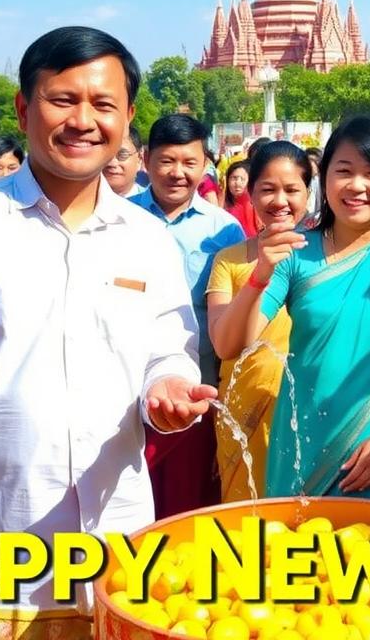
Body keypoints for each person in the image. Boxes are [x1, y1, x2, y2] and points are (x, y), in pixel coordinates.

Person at [0, 27, 209, 640]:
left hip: (117, 545)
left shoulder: (147, 239)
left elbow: (169, 349)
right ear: (23, 107)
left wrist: (167, 389)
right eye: (62, 99)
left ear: (128, 117)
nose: (83, 120)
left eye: (104, 104)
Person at [212, 114, 370, 508]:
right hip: (300, 447)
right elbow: (229, 344)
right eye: (344, 171)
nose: (357, 186)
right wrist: (260, 274)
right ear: (324, 180)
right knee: (297, 563)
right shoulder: (295, 254)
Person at [129, 114, 245, 518]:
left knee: (190, 504)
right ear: (146, 160)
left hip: (200, 387)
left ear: (205, 165)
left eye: (190, 163)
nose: (178, 173)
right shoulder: (118, 220)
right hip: (126, 387)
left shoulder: (225, 231)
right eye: (166, 161)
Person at [206, 142, 312, 501]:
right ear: (250, 193)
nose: (280, 200)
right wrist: (260, 275)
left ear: (308, 193)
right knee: (244, 517)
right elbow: (221, 338)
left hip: (308, 405)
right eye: (267, 189)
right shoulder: (229, 259)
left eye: (292, 189)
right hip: (243, 408)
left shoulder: (329, 258)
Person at [102, 126, 145, 198]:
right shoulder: (80, 202)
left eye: (122, 155)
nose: (112, 163)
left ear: (140, 159)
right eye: (106, 154)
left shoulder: (154, 204)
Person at [224, 159, 258, 237]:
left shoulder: (254, 204)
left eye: (242, 179)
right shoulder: (222, 203)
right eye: (234, 178)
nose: (238, 183)